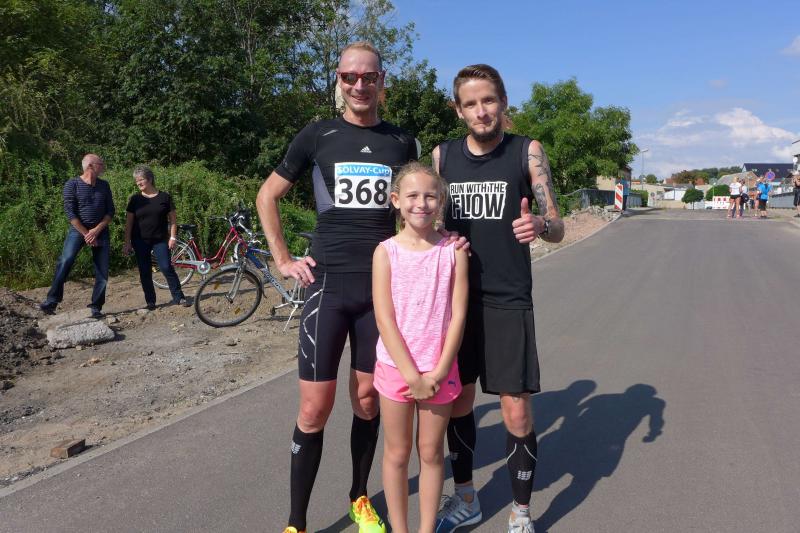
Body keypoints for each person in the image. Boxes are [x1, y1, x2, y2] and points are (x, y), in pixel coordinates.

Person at [255, 42, 417, 533]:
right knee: (314, 408)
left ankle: (359, 498)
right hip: (326, 285)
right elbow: (267, 195)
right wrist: (282, 259)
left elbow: (416, 207)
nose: (359, 85)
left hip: (380, 292)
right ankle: (297, 523)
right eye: (349, 76)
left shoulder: (402, 142)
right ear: (339, 81)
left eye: (368, 77)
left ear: (382, 81)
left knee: (367, 399)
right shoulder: (317, 135)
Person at [432, 64, 565, 533]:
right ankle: (466, 497)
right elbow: (427, 220)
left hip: (508, 297)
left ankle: (521, 512)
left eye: (488, 100)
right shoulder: (443, 156)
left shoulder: (527, 151)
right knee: (459, 401)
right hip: (454, 301)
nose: (481, 111)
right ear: (458, 110)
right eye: (470, 103)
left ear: (503, 103)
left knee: (516, 408)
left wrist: (540, 225)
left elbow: (558, 226)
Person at [372, 163, 469, 533]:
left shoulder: (453, 252)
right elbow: (384, 318)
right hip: (396, 369)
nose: (422, 203)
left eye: (430, 196)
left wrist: (439, 372)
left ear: (440, 201)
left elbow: (458, 315)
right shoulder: (385, 252)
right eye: (412, 195)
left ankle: (426, 528)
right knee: (397, 454)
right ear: (396, 200)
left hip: (439, 370)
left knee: (431, 453)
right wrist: (412, 375)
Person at [39, 154, 115, 319]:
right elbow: (70, 213)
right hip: (78, 230)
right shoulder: (72, 184)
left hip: (100, 231)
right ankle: (51, 301)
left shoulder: (104, 185)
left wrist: (96, 231)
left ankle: (96, 307)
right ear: (90, 166)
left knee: (102, 270)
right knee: (65, 261)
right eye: (100, 164)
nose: (103, 167)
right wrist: (87, 234)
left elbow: (111, 211)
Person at [123, 165, 189, 310]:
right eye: (136, 181)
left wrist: (172, 237)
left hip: (160, 239)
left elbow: (173, 220)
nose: (138, 183)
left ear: (150, 179)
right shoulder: (135, 199)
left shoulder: (165, 197)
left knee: (166, 267)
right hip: (140, 240)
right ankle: (150, 301)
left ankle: (179, 297)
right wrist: (127, 242)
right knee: (145, 271)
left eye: (141, 179)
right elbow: (129, 223)